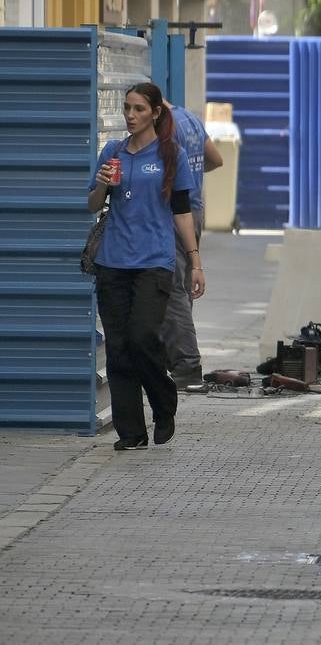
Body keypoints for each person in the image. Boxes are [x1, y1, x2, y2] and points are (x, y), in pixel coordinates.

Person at [87, 83, 205, 451]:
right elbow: (92, 205)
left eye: (138, 109)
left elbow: (182, 210)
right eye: (126, 108)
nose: (130, 115)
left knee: (142, 337)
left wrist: (195, 262)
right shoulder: (112, 152)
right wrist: (102, 185)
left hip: (154, 261)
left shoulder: (172, 154)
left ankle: (163, 401)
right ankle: (131, 432)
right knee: (119, 348)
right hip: (112, 262)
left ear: (155, 112)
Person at [161, 100, 223, 390]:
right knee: (182, 290)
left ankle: (186, 365)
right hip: (195, 209)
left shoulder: (167, 127)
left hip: (177, 212)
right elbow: (215, 159)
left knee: (174, 289)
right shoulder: (190, 118)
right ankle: (174, 357)